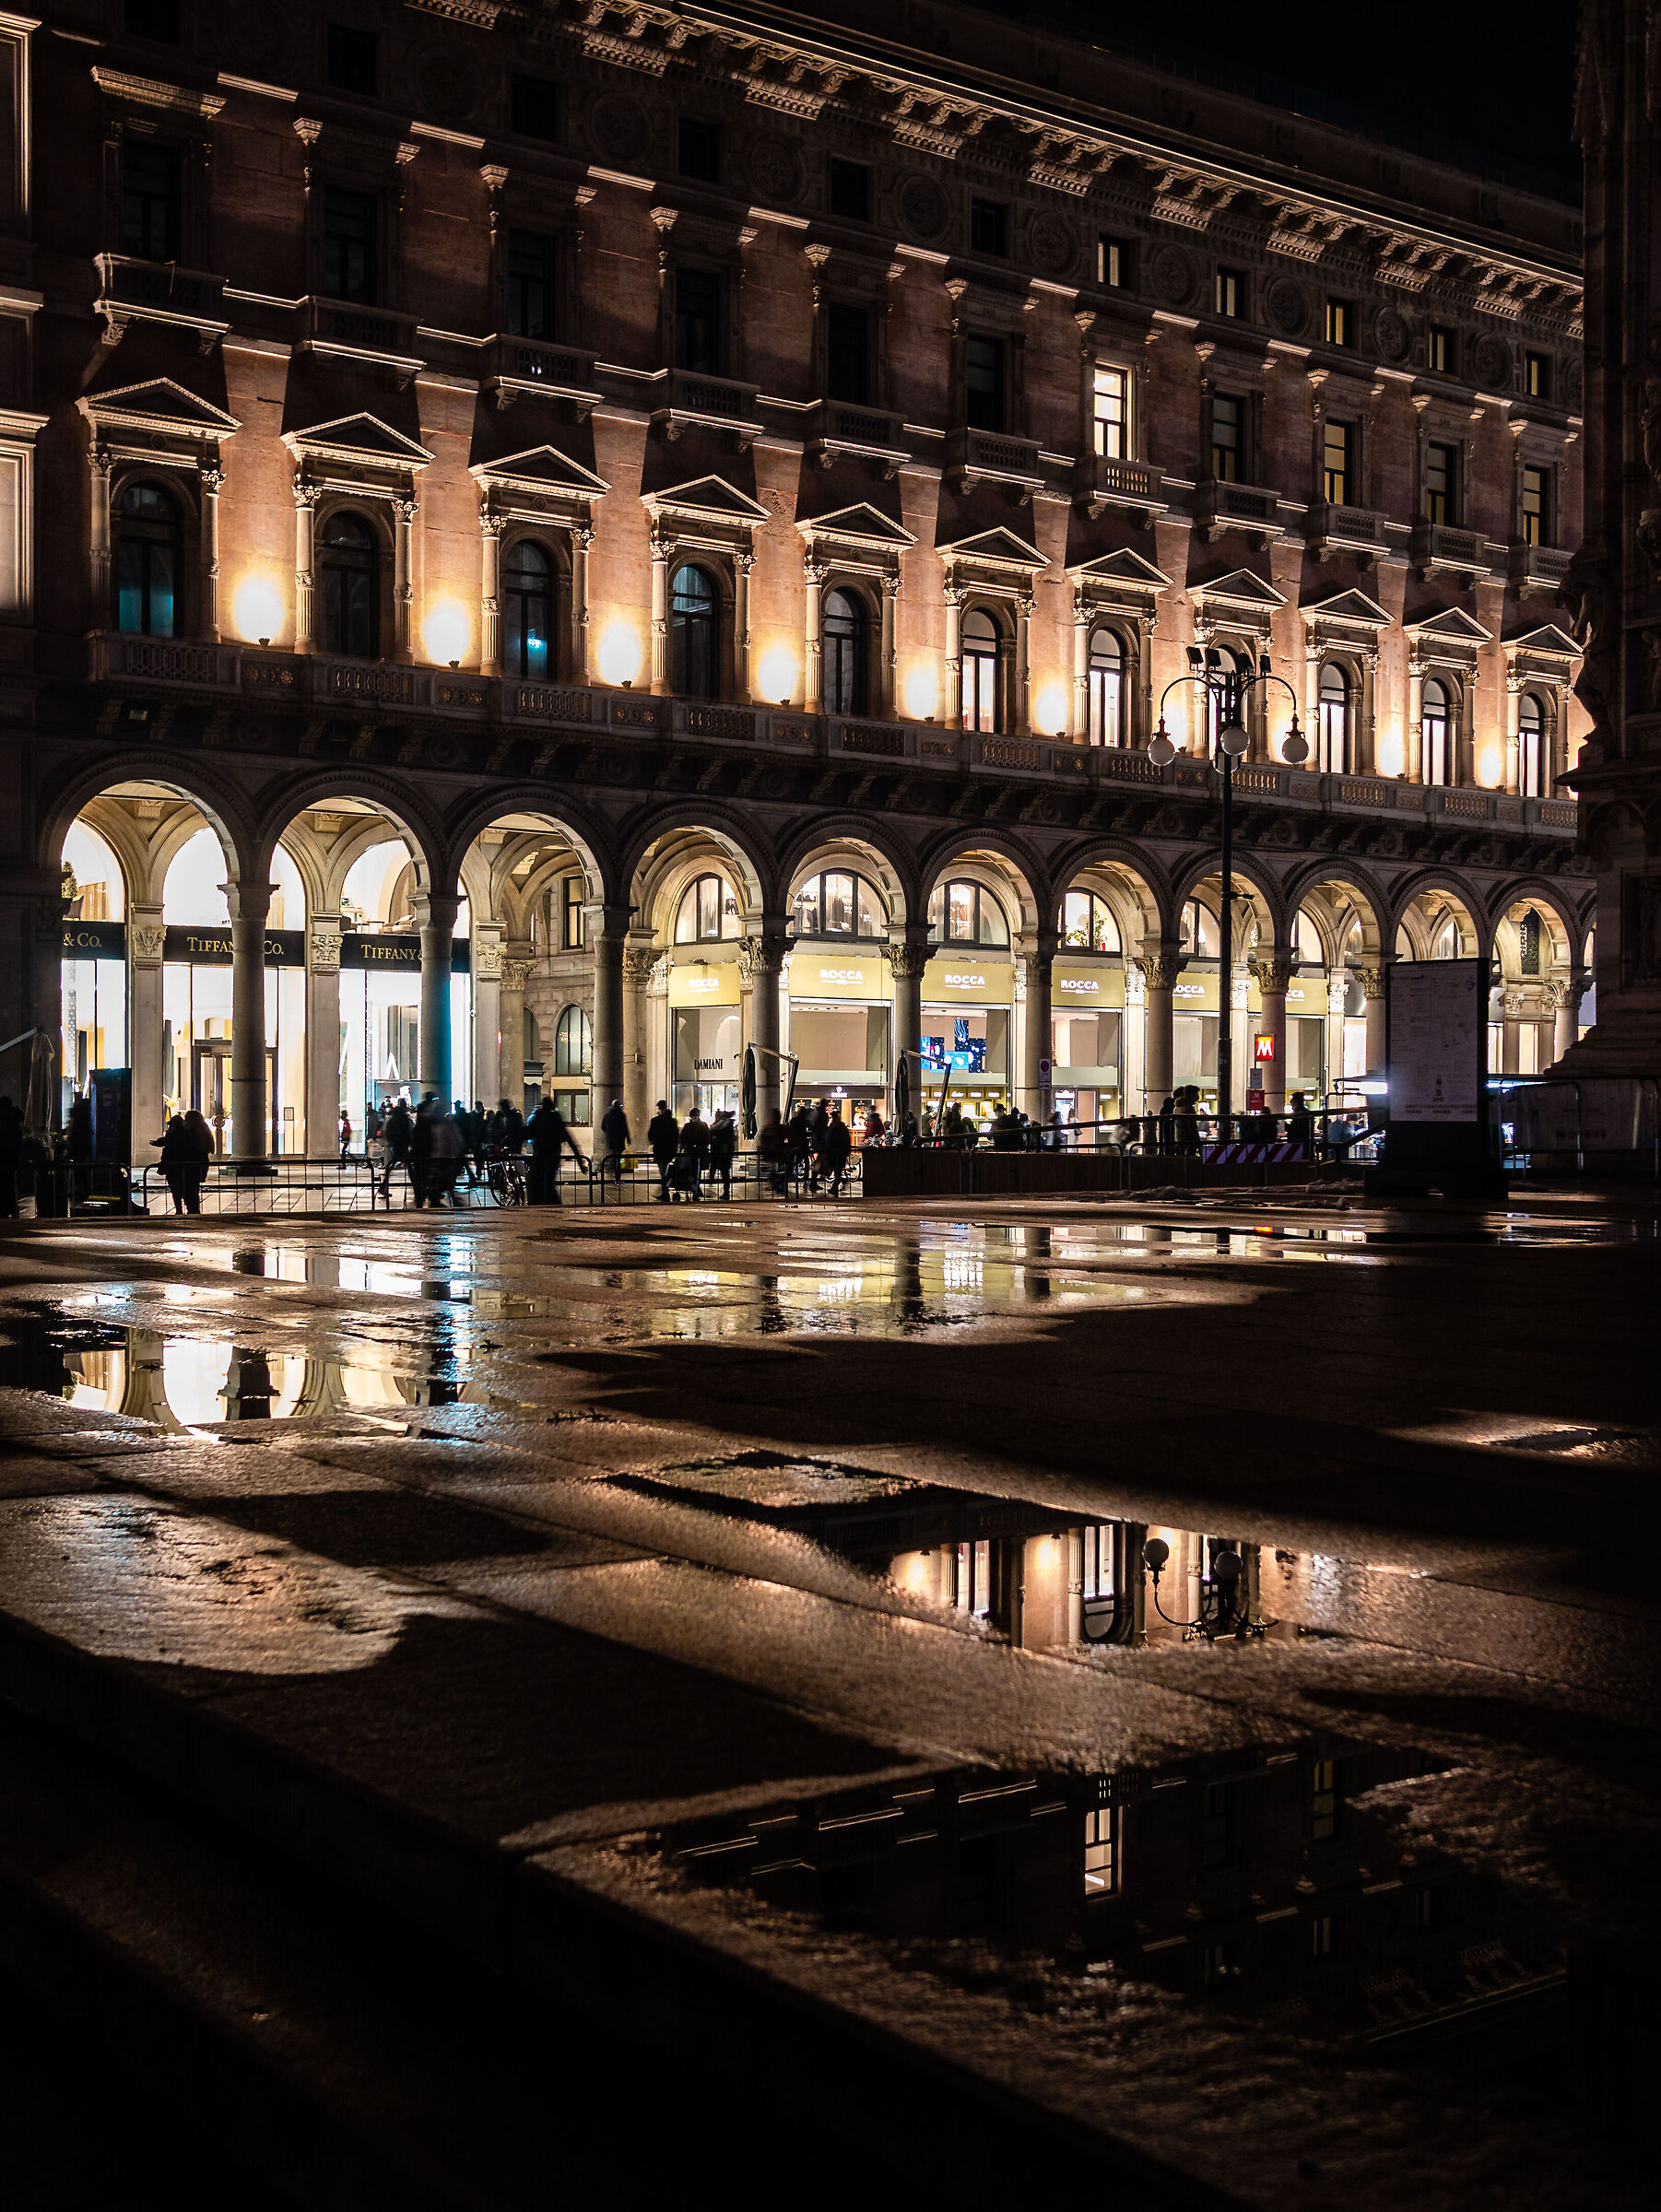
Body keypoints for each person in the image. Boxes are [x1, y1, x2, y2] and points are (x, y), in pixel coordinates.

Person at [526, 1095, 582, 1203]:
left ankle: (547, 1205)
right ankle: (553, 1205)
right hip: (553, 1157)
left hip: (540, 1157)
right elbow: (569, 1139)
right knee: (549, 1184)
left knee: (542, 1185)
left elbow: (527, 1133)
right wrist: (580, 1161)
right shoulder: (555, 1119)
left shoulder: (537, 1118)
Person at [647, 1099, 679, 1201]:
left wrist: (652, 1141)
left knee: (663, 1171)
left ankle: (665, 1191)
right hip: (667, 1150)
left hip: (660, 1149)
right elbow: (675, 1137)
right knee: (664, 1171)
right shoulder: (672, 1121)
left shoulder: (655, 1121)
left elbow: (651, 1134)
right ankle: (665, 1190)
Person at [677, 1103, 711, 1199]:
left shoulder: (701, 1126)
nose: (694, 1118)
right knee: (691, 1171)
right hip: (691, 1151)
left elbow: (707, 1138)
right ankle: (695, 1188)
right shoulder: (691, 1126)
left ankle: (695, 1188)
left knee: (696, 1171)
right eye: (693, 1117)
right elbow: (682, 1138)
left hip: (698, 1151)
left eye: (695, 1116)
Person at [383, 1098, 413, 1200]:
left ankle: (383, 1186)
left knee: (394, 1165)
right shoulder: (403, 1118)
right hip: (401, 1145)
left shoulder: (394, 1117)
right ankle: (417, 1187)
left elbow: (388, 1131)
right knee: (409, 1166)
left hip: (397, 1144)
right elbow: (407, 1131)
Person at [599, 1098, 630, 1191]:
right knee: (619, 1159)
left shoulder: (607, 1115)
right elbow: (625, 1128)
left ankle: (611, 1172)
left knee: (613, 1156)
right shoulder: (621, 1115)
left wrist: (609, 1134)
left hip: (611, 1140)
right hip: (619, 1140)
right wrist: (628, 1138)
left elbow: (603, 1127)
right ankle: (617, 1177)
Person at [821, 1103, 853, 1195]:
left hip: (836, 1151)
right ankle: (841, 1181)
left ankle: (835, 1187)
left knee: (837, 1169)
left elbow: (830, 1138)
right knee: (837, 1169)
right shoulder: (841, 1126)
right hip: (839, 1151)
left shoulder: (834, 1126)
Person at [758, 1106, 789, 1194]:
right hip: (776, 1153)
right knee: (784, 1168)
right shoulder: (779, 1128)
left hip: (770, 1153)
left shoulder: (768, 1127)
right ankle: (776, 1184)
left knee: (775, 1170)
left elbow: (763, 1140)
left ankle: (775, 1183)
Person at [708, 1107, 736, 1199]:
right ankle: (725, 1191)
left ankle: (724, 1190)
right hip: (724, 1153)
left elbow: (714, 1134)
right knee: (724, 1173)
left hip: (721, 1153)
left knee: (722, 1172)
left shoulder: (722, 1124)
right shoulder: (727, 1124)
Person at [0, 1093, 20, 1218]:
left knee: (5, 1184)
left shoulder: (6, 1122)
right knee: (10, 1184)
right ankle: (11, 1208)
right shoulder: (14, 1122)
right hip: (12, 1158)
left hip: (5, 1158)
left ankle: (6, 1208)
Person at [1287, 1091, 1314, 1157]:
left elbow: (1296, 1129)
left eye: (1292, 1100)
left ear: (1296, 1101)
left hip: (1299, 1145)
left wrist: (1287, 1127)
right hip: (1305, 1144)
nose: (1290, 1102)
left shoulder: (1298, 1113)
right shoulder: (1307, 1112)